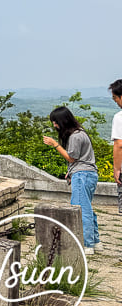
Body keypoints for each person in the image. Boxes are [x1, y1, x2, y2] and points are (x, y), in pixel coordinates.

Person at [43, 106, 99, 253]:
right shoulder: (81, 133)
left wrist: (55, 144)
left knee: (80, 209)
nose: (54, 125)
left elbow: (71, 158)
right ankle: (95, 241)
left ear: (63, 121)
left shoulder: (75, 136)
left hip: (82, 175)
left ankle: (87, 245)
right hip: (89, 174)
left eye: (55, 122)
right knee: (87, 207)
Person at [110, 79, 122, 215]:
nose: (115, 101)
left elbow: (119, 145)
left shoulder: (119, 117)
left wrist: (117, 170)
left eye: (115, 98)